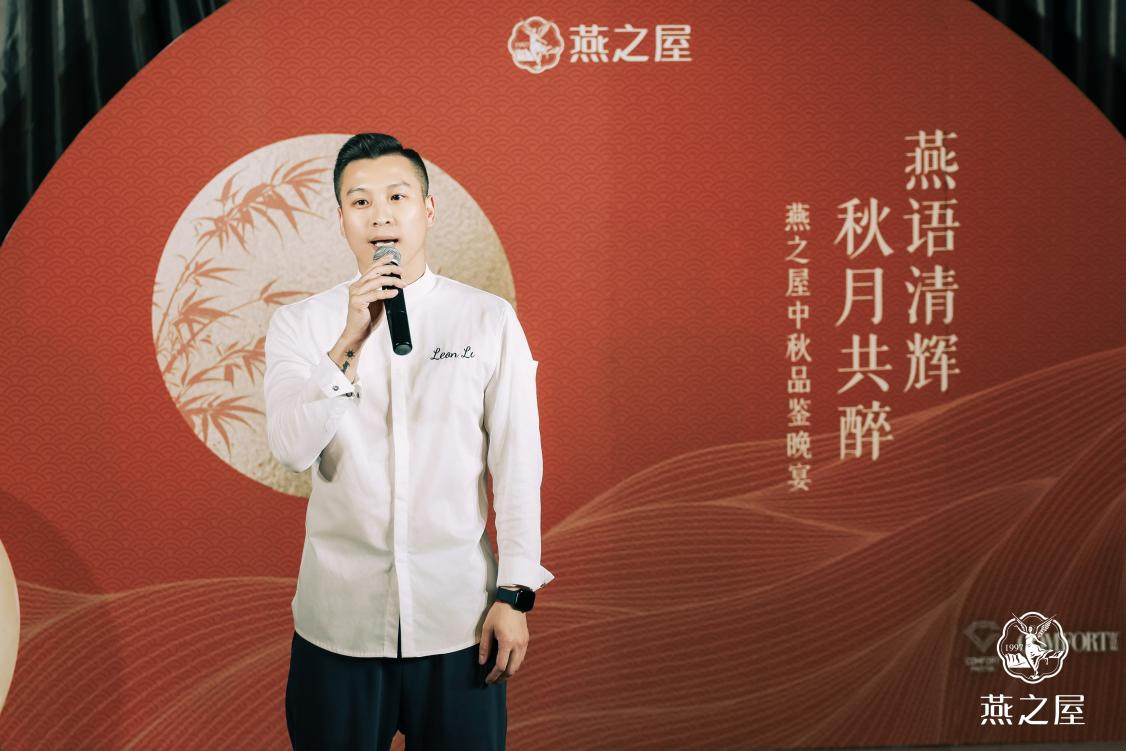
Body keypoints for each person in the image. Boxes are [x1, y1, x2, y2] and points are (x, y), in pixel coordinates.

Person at [264, 133, 554, 750]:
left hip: (459, 622)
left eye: (397, 196)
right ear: (341, 218)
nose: (381, 215)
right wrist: (347, 341)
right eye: (360, 201)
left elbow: (517, 463)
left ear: (428, 208)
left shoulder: (486, 319)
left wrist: (515, 594)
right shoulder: (301, 324)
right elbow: (290, 449)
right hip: (339, 623)